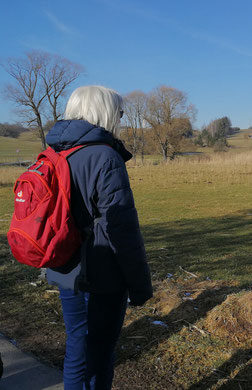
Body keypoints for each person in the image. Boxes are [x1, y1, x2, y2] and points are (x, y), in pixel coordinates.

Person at [45, 85, 153, 389]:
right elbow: (122, 230)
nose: (120, 118)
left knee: (77, 348)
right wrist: (140, 285)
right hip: (103, 274)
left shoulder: (56, 151)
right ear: (103, 112)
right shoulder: (105, 157)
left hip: (67, 268)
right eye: (118, 112)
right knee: (101, 354)